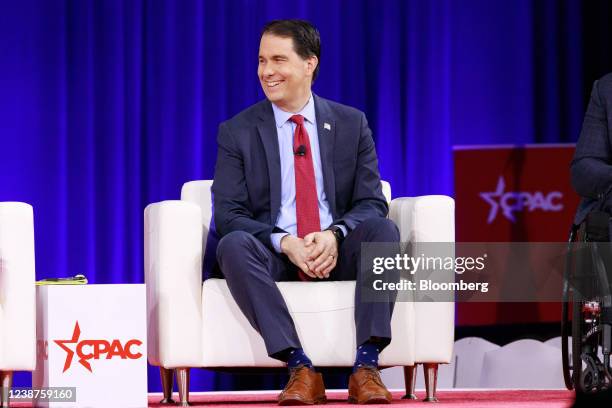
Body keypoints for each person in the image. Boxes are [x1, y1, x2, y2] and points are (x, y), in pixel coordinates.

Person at [212, 19, 399, 405]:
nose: (266, 71)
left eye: (278, 59)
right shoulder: (237, 131)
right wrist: (286, 243)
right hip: (276, 255)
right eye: (262, 60)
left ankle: (366, 368)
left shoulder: (351, 123)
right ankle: (300, 368)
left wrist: (336, 234)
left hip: (335, 248)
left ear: (309, 63)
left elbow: (371, 200)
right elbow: (228, 213)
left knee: (383, 230)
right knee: (231, 244)